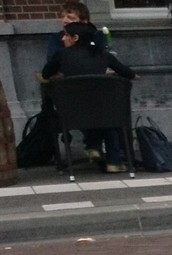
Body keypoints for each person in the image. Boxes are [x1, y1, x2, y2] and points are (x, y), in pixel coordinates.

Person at [39, 24, 139, 172]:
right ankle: (114, 161)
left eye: (66, 35)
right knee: (108, 118)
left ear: (75, 38)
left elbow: (45, 74)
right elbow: (128, 73)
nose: (62, 38)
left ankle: (93, 146)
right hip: (105, 112)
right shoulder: (103, 55)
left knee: (90, 111)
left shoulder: (61, 54)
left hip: (72, 113)